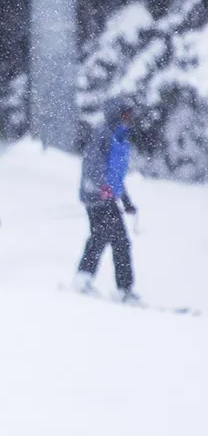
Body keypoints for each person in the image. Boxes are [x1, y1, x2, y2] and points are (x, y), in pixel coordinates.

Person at [75, 99, 139, 301]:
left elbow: (115, 175)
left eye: (130, 114)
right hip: (96, 197)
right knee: (113, 240)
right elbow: (92, 165)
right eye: (125, 114)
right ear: (116, 114)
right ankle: (121, 289)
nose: (129, 118)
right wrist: (101, 188)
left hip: (107, 197)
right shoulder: (103, 134)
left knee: (107, 239)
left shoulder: (121, 138)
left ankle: (86, 280)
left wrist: (125, 200)